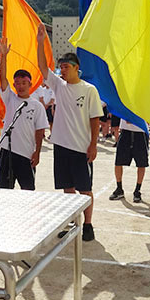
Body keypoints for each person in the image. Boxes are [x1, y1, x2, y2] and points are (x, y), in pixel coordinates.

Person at [37, 24, 103, 242]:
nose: (62, 71)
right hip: (61, 146)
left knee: (85, 189)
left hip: (81, 147)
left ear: (76, 68)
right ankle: (74, 223)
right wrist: (40, 41)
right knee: (68, 188)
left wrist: (93, 145)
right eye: (61, 67)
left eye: (65, 67)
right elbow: (42, 68)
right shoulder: (59, 86)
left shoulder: (89, 89)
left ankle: (89, 225)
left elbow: (95, 119)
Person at [0, 38, 49, 190]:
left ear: (30, 85)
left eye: (23, 83)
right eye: (17, 84)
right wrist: (4, 56)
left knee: (28, 191)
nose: (20, 86)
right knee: (5, 190)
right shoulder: (10, 98)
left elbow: (40, 131)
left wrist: (37, 152)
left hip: (26, 154)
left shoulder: (37, 106)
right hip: (7, 150)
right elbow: (3, 78)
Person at [108, 118, 149, 203]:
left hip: (140, 132)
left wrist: (134, 119)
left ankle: (137, 190)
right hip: (125, 131)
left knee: (141, 163)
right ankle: (119, 188)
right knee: (118, 161)